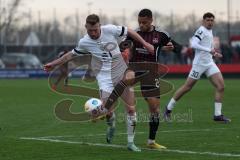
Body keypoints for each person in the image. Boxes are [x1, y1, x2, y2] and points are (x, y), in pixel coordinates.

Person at [43, 14, 154, 152]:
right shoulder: (84, 42)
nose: (93, 33)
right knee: (106, 110)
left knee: (131, 109)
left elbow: (130, 31)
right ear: (86, 28)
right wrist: (54, 64)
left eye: (95, 29)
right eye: (90, 30)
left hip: (121, 72)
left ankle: (131, 143)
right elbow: (70, 55)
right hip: (104, 77)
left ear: (99, 26)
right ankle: (111, 123)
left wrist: (146, 44)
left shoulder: (110, 30)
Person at [103, 8, 175, 150]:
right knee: (125, 80)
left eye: (144, 22)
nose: (141, 25)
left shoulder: (161, 34)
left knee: (154, 109)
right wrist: (119, 49)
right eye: (139, 22)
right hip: (134, 67)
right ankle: (106, 107)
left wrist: (170, 47)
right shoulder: (135, 34)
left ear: (151, 20)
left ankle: (151, 141)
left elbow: (173, 46)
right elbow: (123, 46)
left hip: (151, 71)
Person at [164, 12, 231, 123]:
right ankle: (168, 109)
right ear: (203, 21)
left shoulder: (209, 31)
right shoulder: (201, 30)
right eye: (208, 20)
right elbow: (194, 44)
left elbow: (206, 46)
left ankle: (217, 115)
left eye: (211, 20)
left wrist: (213, 53)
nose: (210, 22)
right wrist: (209, 50)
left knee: (221, 86)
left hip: (209, 63)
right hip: (199, 64)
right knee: (187, 87)